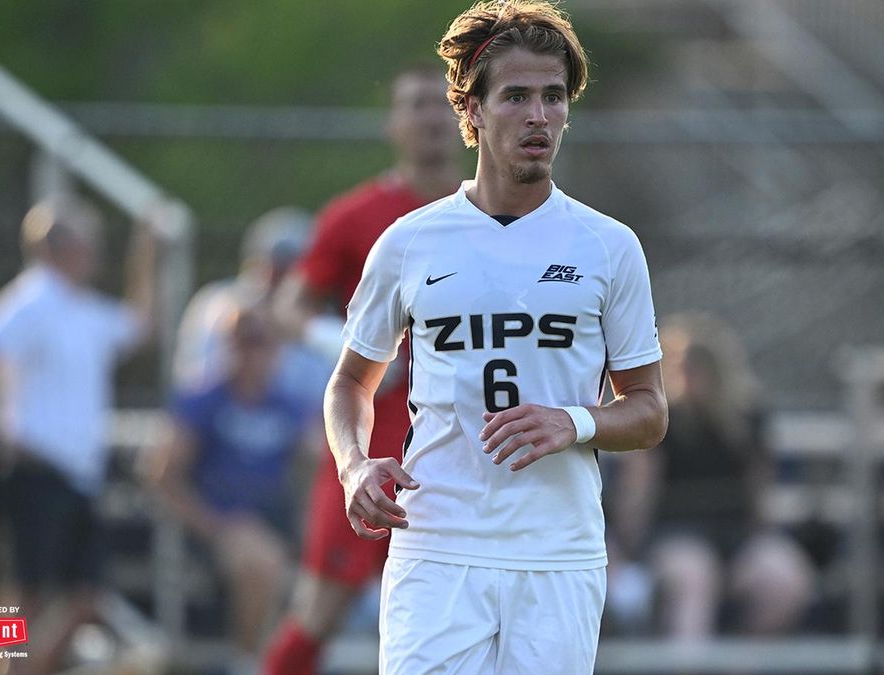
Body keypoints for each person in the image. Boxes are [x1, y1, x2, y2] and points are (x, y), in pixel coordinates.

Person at [325, 2, 668, 672]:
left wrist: (574, 421)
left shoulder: (609, 246)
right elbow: (349, 384)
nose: (538, 116)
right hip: (437, 547)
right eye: (516, 96)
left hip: (557, 556)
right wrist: (353, 465)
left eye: (553, 97)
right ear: (471, 109)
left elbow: (650, 410)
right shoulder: (409, 242)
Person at [260, 65, 462, 675]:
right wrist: (348, 344)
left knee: (457, 618)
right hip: (371, 443)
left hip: (460, 447)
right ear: (391, 123)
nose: (430, 116)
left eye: (441, 103)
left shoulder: (490, 214)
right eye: (415, 104)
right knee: (319, 609)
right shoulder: (355, 216)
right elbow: (289, 307)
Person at [0, 195, 160, 675]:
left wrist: (146, 251)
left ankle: (19, 667)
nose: (98, 250)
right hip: (35, 472)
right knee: (26, 590)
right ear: (65, 246)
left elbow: (139, 326)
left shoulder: (78, 307)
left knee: (85, 595)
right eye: (90, 239)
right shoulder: (33, 299)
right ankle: (7, 668)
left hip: (74, 477)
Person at [610, 313, 814, 640]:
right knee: (695, 577)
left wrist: (761, 535)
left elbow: (759, 489)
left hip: (735, 536)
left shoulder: (747, 420)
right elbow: (638, 493)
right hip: (674, 535)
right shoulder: (659, 423)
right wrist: (629, 551)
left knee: (786, 580)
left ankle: (743, 660)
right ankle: (689, 662)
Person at [146, 305, 311, 674]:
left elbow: (315, 468)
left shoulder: (291, 405)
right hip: (214, 525)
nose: (252, 352)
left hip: (274, 522)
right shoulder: (202, 401)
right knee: (260, 561)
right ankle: (248, 664)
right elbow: (162, 476)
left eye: (262, 342)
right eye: (243, 341)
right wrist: (217, 527)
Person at [172, 206, 321, 400]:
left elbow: (319, 395)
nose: (280, 276)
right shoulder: (217, 305)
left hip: (293, 417)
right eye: (276, 264)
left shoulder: (316, 322)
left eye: (291, 268)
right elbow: (192, 382)